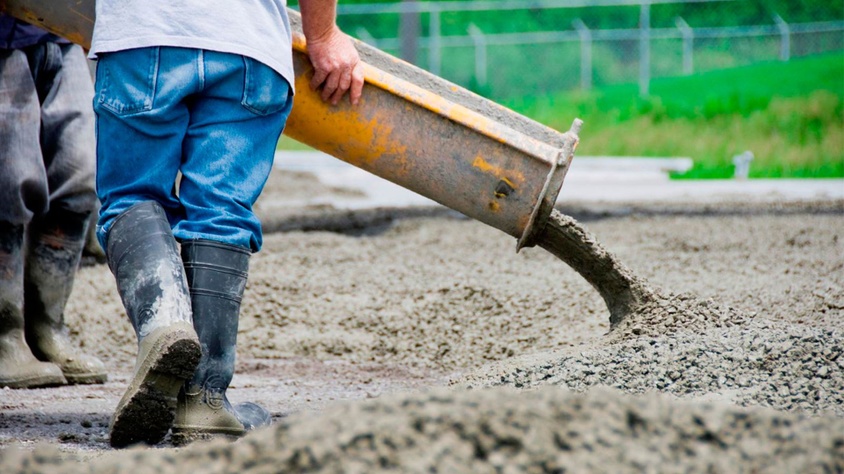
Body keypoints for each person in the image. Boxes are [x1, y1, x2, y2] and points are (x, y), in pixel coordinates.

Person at [89, 0, 364, 448]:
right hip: (246, 43)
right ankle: (205, 399)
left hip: (144, 32)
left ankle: (165, 327)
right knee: (221, 213)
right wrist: (324, 36)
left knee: (133, 196)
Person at [0, 15, 108, 389]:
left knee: (80, 173)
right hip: (4, 39)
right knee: (9, 178)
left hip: (62, 32)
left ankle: (47, 329)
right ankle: (6, 335)